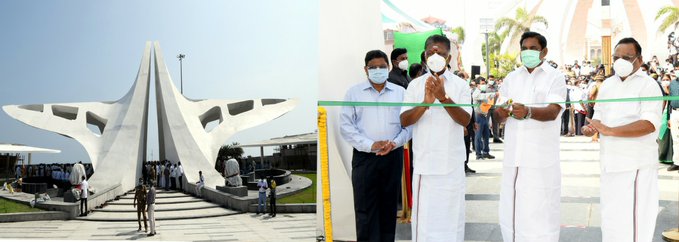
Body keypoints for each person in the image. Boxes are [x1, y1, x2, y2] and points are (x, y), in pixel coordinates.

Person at [583, 37, 662, 242]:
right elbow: (599, 116)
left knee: (635, 226)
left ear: (639, 59)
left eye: (626, 57)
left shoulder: (649, 85)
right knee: (612, 222)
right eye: (616, 57)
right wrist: (590, 128)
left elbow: (649, 124)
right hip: (610, 164)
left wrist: (609, 130)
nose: (620, 62)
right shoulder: (608, 85)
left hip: (635, 165)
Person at [494, 31, 566, 242]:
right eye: (524, 48)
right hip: (514, 156)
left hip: (540, 158)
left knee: (540, 210)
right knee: (513, 209)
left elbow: (553, 111)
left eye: (533, 48)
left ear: (544, 51)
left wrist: (528, 112)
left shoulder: (555, 77)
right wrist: (499, 111)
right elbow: (498, 116)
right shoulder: (511, 77)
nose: (527, 52)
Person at [400, 34, 472, 241]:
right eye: (431, 52)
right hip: (425, 166)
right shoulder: (415, 86)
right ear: (424, 55)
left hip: (451, 165)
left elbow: (465, 120)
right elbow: (405, 120)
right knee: (425, 224)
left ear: (449, 58)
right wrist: (425, 103)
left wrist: (443, 98)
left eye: (441, 53)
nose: (435, 56)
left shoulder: (460, 85)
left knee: (452, 220)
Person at [339, 49, 411, 241]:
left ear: (388, 67)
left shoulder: (401, 93)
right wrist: (370, 145)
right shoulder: (353, 93)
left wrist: (394, 143)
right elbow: (346, 127)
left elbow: (409, 126)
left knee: (388, 209)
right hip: (365, 158)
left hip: (392, 155)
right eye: (373, 67)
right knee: (365, 210)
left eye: (382, 66)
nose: (378, 70)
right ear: (365, 69)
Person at [472, 77, 496, 160]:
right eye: (482, 84)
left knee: (486, 135)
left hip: (484, 115)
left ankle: (486, 152)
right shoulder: (476, 93)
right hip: (478, 116)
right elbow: (482, 97)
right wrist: (493, 94)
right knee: (478, 136)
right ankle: (478, 154)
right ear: (477, 85)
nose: (484, 85)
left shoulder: (484, 92)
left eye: (484, 84)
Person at [669, 72, 679, 171]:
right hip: (674, 112)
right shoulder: (673, 83)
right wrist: (668, 116)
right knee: (675, 138)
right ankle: (677, 162)